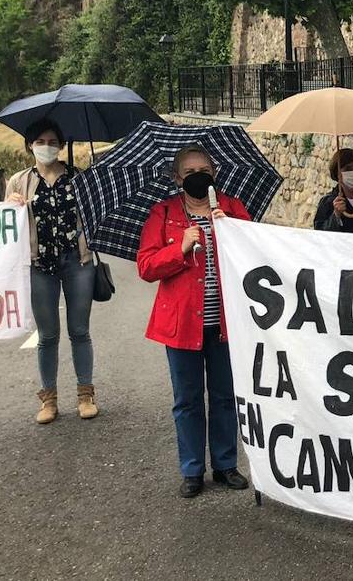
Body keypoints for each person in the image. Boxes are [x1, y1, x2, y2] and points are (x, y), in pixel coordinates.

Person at [136, 145, 253, 499]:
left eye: (205, 169)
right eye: (190, 172)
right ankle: (191, 469)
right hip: (181, 325)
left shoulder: (232, 208)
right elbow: (145, 267)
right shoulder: (164, 213)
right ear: (177, 178)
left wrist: (231, 229)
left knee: (223, 396)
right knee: (187, 399)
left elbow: (255, 254)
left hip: (225, 324)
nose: (199, 175)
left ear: (215, 172)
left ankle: (225, 464)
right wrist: (180, 248)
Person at [4, 119, 98, 424]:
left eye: (53, 141)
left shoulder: (77, 177)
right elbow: (5, 227)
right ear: (30, 144)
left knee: (79, 331)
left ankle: (86, 395)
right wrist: (10, 205)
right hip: (39, 264)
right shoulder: (19, 181)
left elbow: (93, 213)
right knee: (47, 335)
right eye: (41, 141)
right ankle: (49, 399)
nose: (47, 146)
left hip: (76, 261)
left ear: (61, 145)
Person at [314, 149, 353, 233]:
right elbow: (320, 234)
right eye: (348, 169)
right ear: (337, 173)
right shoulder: (328, 202)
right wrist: (336, 216)